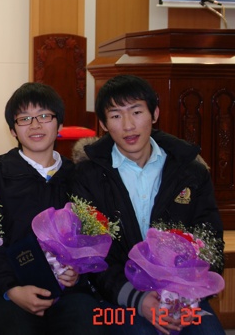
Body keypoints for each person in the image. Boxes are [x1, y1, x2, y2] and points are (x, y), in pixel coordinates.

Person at [68, 74, 225, 335]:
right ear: (104, 124)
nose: (128, 125)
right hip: (119, 296)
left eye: (137, 112)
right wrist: (138, 300)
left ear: (155, 114)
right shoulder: (88, 176)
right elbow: (92, 255)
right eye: (116, 115)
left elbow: (211, 238)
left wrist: (183, 293)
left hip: (182, 294)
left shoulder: (190, 171)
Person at [0, 82, 107, 335]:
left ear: (60, 124)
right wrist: (12, 289)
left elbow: (93, 236)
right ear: (12, 130)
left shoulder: (78, 177)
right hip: (12, 293)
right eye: (24, 119)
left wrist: (78, 271)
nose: (35, 125)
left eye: (44, 116)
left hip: (69, 293)